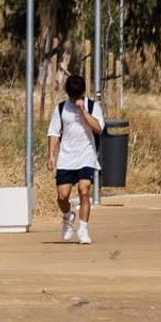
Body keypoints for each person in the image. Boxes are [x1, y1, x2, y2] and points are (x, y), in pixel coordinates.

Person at [47, 73, 104, 245]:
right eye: (72, 97)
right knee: (62, 196)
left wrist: (83, 110)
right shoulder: (61, 108)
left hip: (86, 155)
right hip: (66, 156)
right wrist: (51, 155)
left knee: (84, 190)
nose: (74, 100)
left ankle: (83, 229)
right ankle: (68, 216)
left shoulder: (92, 106)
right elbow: (54, 133)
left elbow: (99, 128)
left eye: (77, 96)